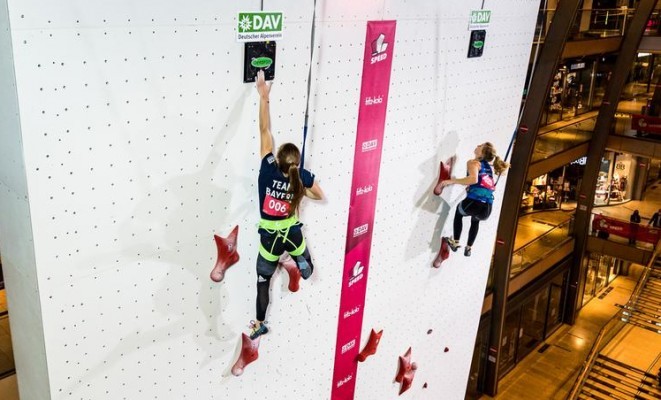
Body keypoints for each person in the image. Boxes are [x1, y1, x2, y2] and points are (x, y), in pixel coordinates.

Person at [249, 70, 324, 340]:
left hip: (269, 239)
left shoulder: (268, 168)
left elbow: (264, 129)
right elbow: (320, 196)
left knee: (262, 281)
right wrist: (301, 190)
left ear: (277, 157)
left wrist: (264, 97)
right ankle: (301, 263)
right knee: (307, 262)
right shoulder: (301, 177)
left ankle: (260, 323)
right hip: (292, 234)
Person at [438, 143, 509, 257]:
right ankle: (468, 248)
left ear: (482, 152)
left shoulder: (473, 163)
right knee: (475, 220)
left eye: (480, 145)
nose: (477, 145)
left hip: (474, 203)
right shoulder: (488, 166)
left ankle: (455, 242)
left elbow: (473, 179)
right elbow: (483, 181)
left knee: (459, 212)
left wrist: (452, 181)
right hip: (487, 209)